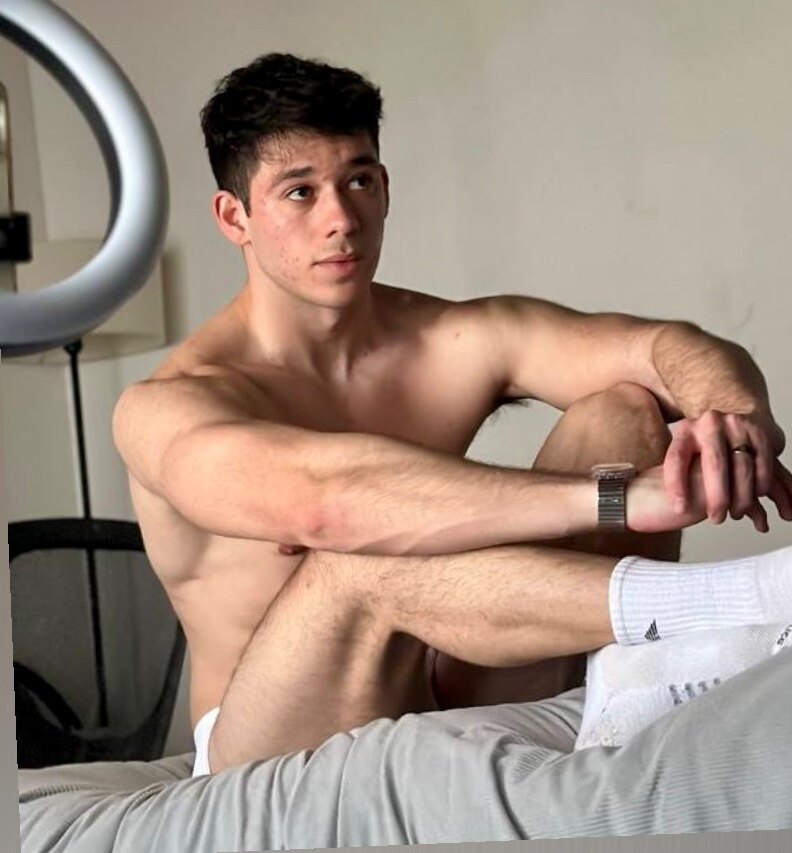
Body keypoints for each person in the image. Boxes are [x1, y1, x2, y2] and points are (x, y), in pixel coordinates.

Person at [112, 53, 792, 776]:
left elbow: (660, 347)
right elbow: (330, 504)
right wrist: (622, 498)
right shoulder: (171, 404)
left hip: (450, 681)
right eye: (299, 192)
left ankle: (634, 689)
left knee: (620, 412)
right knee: (357, 556)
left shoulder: (447, 339)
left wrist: (734, 422)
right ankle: (751, 601)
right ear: (235, 217)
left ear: (384, 188)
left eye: (358, 181)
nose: (340, 219)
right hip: (274, 744)